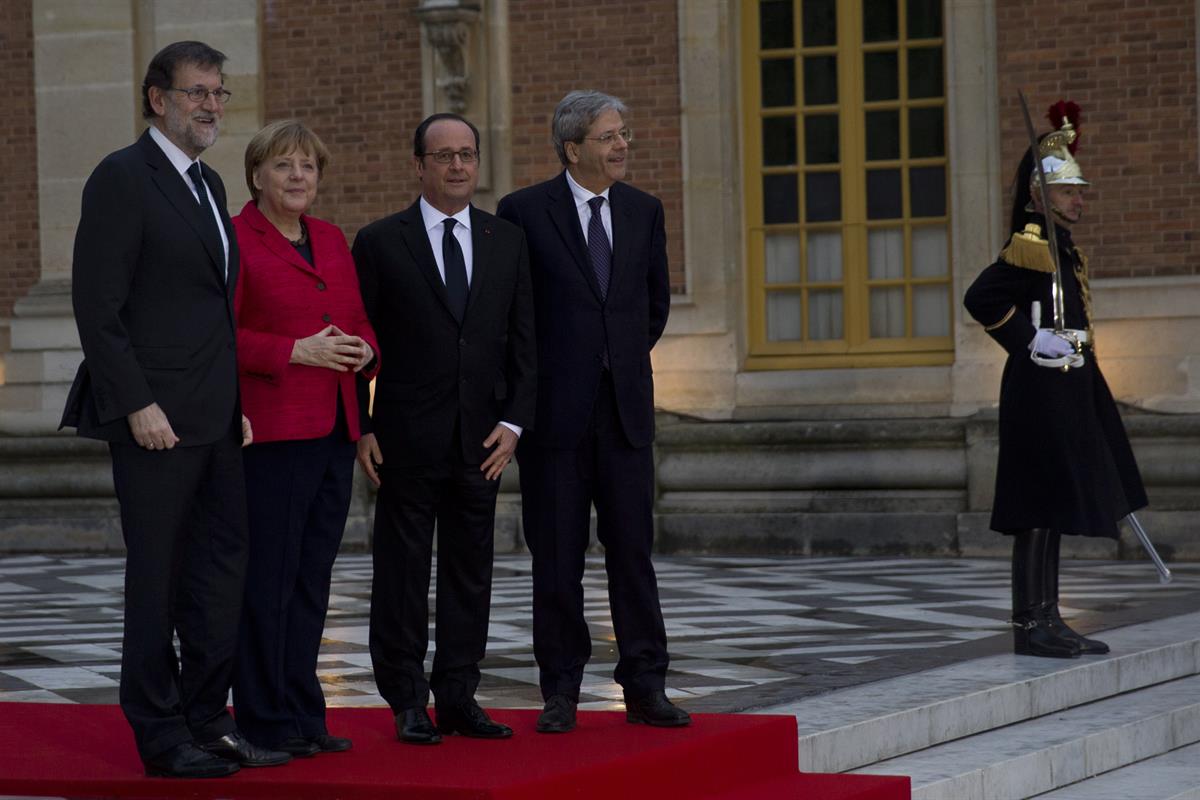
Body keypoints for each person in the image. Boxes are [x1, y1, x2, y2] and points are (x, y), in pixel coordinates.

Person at [61, 41, 289, 777]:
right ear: (157, 98)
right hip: (155, 422)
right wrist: (136, 405)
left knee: (219, 573)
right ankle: (160, 736)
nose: (212, 106)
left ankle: (205, 717)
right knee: (157, 581)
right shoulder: (122, 179)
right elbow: (99, 309)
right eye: (198, 93)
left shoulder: (209, 181)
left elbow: (213, 309)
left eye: (219, 93)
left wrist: (235, 403)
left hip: (217, 417)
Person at [496, 90, 689, 732]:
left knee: (633, 553)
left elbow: (652, 304)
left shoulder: (644, 210)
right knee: (556, 559)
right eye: (608, 136)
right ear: (573, 147)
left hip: (626, 413)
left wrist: (619, 357)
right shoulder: (522, 212)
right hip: (554, 418)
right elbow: (514, 315)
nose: (621, 144)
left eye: (624, 133)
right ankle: (560, 690)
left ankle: (645, 685)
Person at [352, 113, 536, 744]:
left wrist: (514, 423)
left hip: (482, 441)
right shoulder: (379, 242)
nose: (458, 166)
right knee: (401, 573)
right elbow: (357, 342)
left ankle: (459, 694)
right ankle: (405, 698)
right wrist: (362, 426)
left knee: (470, 571)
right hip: (404, 437)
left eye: (467, 155)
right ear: (420, 166)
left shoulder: (506, 240)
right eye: (444, 156)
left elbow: (525, 344)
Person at [964, 101, 1147, 659]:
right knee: (1037, 507)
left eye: (1079, 191)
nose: (1078, 198)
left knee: (1053, 506)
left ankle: (1048, 616)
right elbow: (981, 298)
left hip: (1067, 385)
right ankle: (1030, 623)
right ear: (1041, 195)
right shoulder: (1032, 243)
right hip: (1039, 387)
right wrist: (1028, 339)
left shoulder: (1059, 245)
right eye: (1068, 191)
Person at [230, 120, 379, 757]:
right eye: (285, 165)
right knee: (270, 578)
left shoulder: (331, 239)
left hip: (335, 429)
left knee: (313, 578)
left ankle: (303, 712)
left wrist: (367, 350)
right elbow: (220, 336)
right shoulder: (236, 239)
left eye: (308, 167)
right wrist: (296, 351)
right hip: (271, 432)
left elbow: (359, 320)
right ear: (257, 175)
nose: (298, 177)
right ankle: (263, 718)